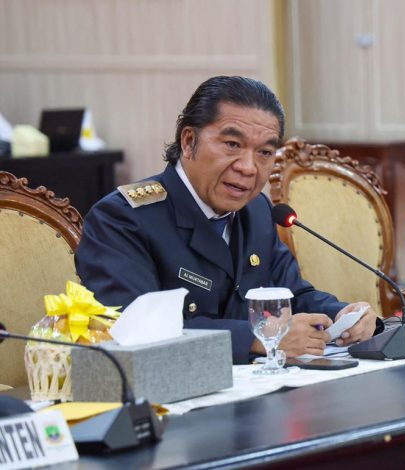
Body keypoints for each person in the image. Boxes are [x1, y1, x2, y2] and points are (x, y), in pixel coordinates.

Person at [76, 76, 381, 364]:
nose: (249, 167)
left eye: (264, 152)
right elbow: (136, 332)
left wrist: (343, 315)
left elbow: (292, 294)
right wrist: (256, 339)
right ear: (189, 141)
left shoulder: (256, 210)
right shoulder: (122, 218)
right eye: (232, 145)